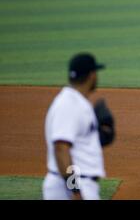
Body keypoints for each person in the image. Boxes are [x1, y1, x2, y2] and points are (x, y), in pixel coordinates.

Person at [42, 53, 115, 200]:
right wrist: (75, 191)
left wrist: (100, 134)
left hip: (77, 185)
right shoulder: (69, 104)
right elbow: (61, 149)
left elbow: (78, 144)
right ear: (91, 75)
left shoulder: (77, 102)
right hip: (72, 188)